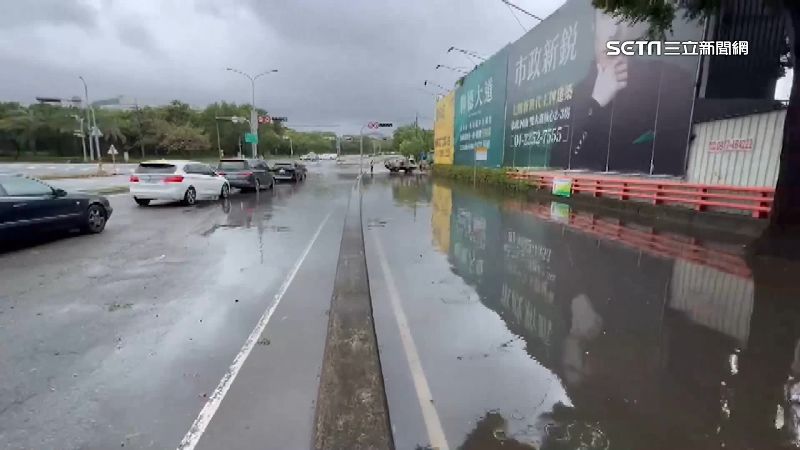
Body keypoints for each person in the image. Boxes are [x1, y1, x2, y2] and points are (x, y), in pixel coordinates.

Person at [566, 9, 697, 175]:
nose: (615, 28)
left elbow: (674, 156)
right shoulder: (575, 95)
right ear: (594, 25)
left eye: (624, 17)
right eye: (606, 16)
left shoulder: (668, 80)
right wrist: (597, 103)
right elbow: (565, 161)